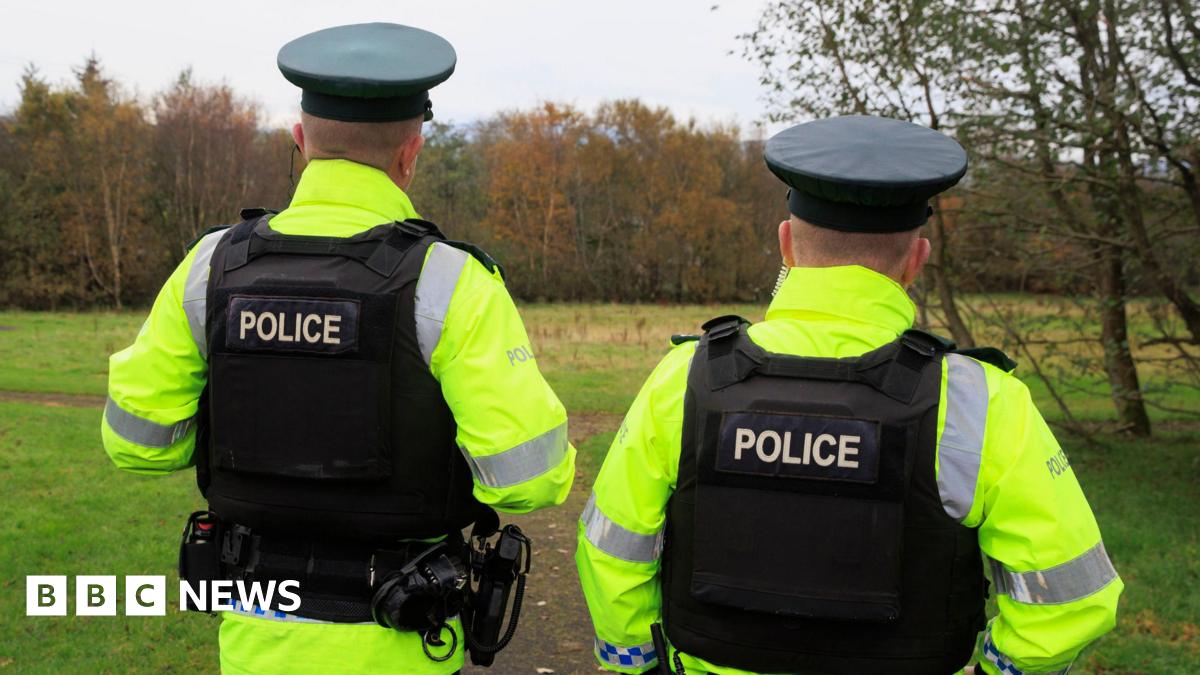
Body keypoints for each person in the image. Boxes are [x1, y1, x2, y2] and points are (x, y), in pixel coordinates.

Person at [102, 22, 575, 674]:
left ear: (300, 142)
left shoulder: (210, 268)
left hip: (254, 638)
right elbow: (529, 478)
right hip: (401, 636)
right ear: (411, 152)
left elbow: (137, 443)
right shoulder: (450, 281)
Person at [575, 115, 1121, 675]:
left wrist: (636, 665)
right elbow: (1071, 598)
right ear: (916, 260)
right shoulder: (981, 401)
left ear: (786, 245)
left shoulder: (686, 377)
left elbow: (612, 549)